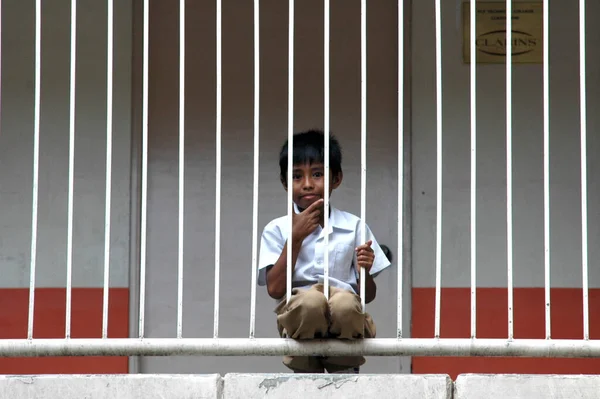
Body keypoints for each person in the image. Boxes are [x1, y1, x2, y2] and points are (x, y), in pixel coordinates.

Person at [258, 129, 391, 374]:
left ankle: (344, 362)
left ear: (336, 179)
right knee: (311, 301)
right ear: (285, 182)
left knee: (343, 303)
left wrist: (366, 271)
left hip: (344, 322)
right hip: (302, 320)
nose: (307, 184)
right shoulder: (277, 229)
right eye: (297, 176)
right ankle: (306, 365)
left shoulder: (354, 227)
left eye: (317, 174)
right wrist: (295, 238)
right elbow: (275, 289)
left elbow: (367, 296)